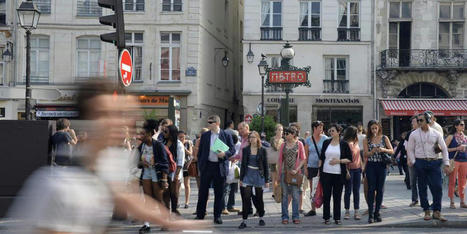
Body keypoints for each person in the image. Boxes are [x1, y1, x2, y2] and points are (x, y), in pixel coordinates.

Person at [7, 81, 206, 234]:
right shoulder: (57, 186)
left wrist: (170, 221)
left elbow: (124, 197)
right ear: (86, 123)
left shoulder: (109, 163)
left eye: (119, 114)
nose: (117, 122)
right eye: (105, 115)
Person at [406, 112, 450, 222]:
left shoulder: (436, 133)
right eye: (418, 120)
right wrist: (414, 161)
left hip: (434, 162)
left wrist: (446, 163)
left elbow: (444, 149)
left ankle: (437, 211)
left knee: (438, 187)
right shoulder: (414, 134)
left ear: (428, 121)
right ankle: (426, 210)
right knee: (422, 188)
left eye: (421, 120)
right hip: (420, 162)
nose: (419, 122)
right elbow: (410, 149)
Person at [195, 115, 235, 224]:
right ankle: (200, 214)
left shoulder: (226, 135)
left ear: (217, 123)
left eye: (210, 122)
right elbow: (201, 151)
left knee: (219, 193)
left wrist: (225, 154)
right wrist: (201, 165)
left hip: (219, 166)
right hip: (207, 166)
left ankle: (217, 216)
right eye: (208, 122)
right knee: (203, 191)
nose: (208, 124)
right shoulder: (205, 135)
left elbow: (232, 150)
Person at [137, 119, 170, 233]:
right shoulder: (141, 146)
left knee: (159, 199)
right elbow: (137, 161)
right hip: (146, 173)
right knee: (147, 199)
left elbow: (165, 163)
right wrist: (141, 163)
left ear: (150, 133)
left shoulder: (158, 145)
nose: (140, 136)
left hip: (157, 174)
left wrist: (164, 179)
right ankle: (146, 225)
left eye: (143, 134)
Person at [319, 124, 352, 225]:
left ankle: (337, 218)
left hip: (338, 174)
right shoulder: (326, 142)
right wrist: (318, 171)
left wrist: (339, 161)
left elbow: (350, 159)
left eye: (333, 131)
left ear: (339, 132)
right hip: (326, 173)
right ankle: (326, 217)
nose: (331, 132)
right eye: (330, 131)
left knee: (337, 196)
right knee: (326, 196)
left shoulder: (344, 144)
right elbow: (321, 157)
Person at [363, 120, 393, 223]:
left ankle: (377, 212)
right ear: (369, 129)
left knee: (380, 189)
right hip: (371, 165)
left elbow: (392, 150)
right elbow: (365, 154)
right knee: (371, 189)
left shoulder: (384, 138)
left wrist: (383, 149)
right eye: (372, 128)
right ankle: (371, 214)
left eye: (376, 128)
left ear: (379, 128)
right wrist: (372, 151)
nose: (374, 130)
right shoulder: (366, 139)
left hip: (382, 165)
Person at [238, 131, 269, 229]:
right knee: (246, 198)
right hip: (248, 174)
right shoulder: (246, 149)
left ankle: (261, 217)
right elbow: (243, 165)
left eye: (254, 137)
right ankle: (244, 220)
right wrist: (241, 178)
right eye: (250, 137)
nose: (251, 139)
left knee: (259, 198)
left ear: (258, 138)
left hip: (259, 175)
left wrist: (267, 180)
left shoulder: (262, 150)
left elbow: (265, 166)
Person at [276, 127, 306, 225]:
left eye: (287, 133)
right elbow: (280, 160)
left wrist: (297, 169)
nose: (285, 135)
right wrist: (278, 174)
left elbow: (303, 159)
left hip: (295, 174)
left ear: (293, 134)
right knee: (284, 195)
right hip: (285, 173)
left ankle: (295, 216)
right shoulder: (283, 145)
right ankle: (285, 217)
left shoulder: (299, 144)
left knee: (296, 196)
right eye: (285, 133)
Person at [304, 120, 329, 217]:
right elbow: (306, 155)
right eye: (320, 128)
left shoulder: (325, 139)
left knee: (325, 188)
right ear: (314, 128)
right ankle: (313, 209)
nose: (321, 130)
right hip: (311, 167)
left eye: (322, 128)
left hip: (323, 167)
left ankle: (326, 210)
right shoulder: (308, 140)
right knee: (312, 189)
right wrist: (305, 168)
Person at [161, 125, 184, 215]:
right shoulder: (162, 142)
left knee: (174, 194)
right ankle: (167, 213)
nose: (164, 133)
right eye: (164, 131)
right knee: (165, 194)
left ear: (171, 133)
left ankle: (174, 211)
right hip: (164, 172)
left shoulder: (178, 144)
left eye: (166, 131)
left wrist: (177, 175)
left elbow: (180, 161)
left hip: (174, 173)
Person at [445, 119, 467, 209]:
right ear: (456, 126)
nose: (463, 126)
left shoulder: (465, 137)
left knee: (463, 182)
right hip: (454, 161)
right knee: (452, 181)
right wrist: (457, 148)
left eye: (464, 124)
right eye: (461, 124)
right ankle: (452, 202)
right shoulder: (451, 136)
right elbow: (444, 149)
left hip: (464, 160)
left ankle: (462, 201)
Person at [343, 126, 363, 220]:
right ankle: (347, 211)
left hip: (358, 169)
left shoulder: (356, 143)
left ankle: (356, 211)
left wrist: (362, 168)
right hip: (350, 170)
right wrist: (346, 171)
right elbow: (345, 159)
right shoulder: (347, 144)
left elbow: (359, 156)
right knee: (348, 191)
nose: (358, 134)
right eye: (357, 132)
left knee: (356, 191)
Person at [224, 132, 240, 214]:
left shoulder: (236, 145)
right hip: (226, 169)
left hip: (233, 169)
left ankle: (230, 205)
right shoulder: (224, 145)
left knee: (233, 188)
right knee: (225, 189)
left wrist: (235, 159)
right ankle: (223, 207)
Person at [407, 115, 419, 207]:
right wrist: (409, 159)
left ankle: (424, 199)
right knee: (413, 181)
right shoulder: (410, 133)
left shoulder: (424, 132)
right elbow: (408, 148)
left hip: (422, 159)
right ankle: (414, 199)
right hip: (413, 159)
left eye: (413, 122)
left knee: (423, 181)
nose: (412, 124)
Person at [179, 130, 193, 209]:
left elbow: (191, 153)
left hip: (186, 165)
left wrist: (184, 148)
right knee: (178, 185)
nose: (181, 138)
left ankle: (186, 202)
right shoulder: (176, 143)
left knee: (186, 184)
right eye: (180, 137)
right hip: (178, 166)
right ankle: (177, 201)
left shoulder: (188, 143)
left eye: (182, 137)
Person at [269, 124, 284, 192]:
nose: (281, 131)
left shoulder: (283, 140)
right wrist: (278, 140)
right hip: (274, 160)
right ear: (276, 131)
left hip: (281, 161)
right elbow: (275, 148)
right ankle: (274, 192)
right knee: (274, 178)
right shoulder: (272, 139)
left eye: (282, 130)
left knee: (280, 177)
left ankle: (279, 191)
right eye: (279, 130)